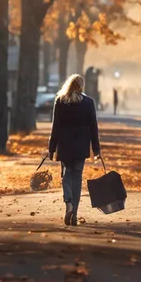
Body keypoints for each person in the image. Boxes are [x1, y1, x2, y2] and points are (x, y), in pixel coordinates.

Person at [48, 74, 101, 226]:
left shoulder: (60, 101)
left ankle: (68, 204)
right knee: (77, 177)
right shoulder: (88, 103)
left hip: (64, 145)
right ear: (82, 86)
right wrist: (96, 149)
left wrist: (51, 149)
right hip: (81, 145)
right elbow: (93, 127)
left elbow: (55, 127)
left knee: (66, 174)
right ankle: (75, 214)